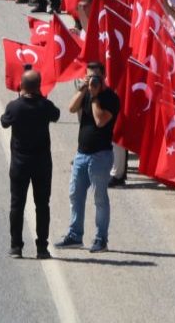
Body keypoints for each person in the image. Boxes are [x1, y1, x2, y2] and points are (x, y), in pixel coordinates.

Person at [55, 62, 119, 253]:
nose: (92, 80)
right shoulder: (85, 93)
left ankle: (101, 239)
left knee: (99, 198)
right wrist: (84, 90)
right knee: (75, 195)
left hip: (100, 156)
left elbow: (100, 121)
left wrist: (95, 96)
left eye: (95, 77)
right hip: (81, 154)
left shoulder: (110, 98)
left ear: (103, 77)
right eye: (89, 76)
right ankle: (75, 235)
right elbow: (71, 108)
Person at [0, 70, 60, 259]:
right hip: (42, 164)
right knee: (42, 205)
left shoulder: (15, 107)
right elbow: (56, 114)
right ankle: (42, 248)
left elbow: (4, 122)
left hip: (20, 163)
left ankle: (16, 246)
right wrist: (42, 98)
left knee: (17, 204)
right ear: (39, 86)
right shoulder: (45, 106)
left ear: (22, 86)